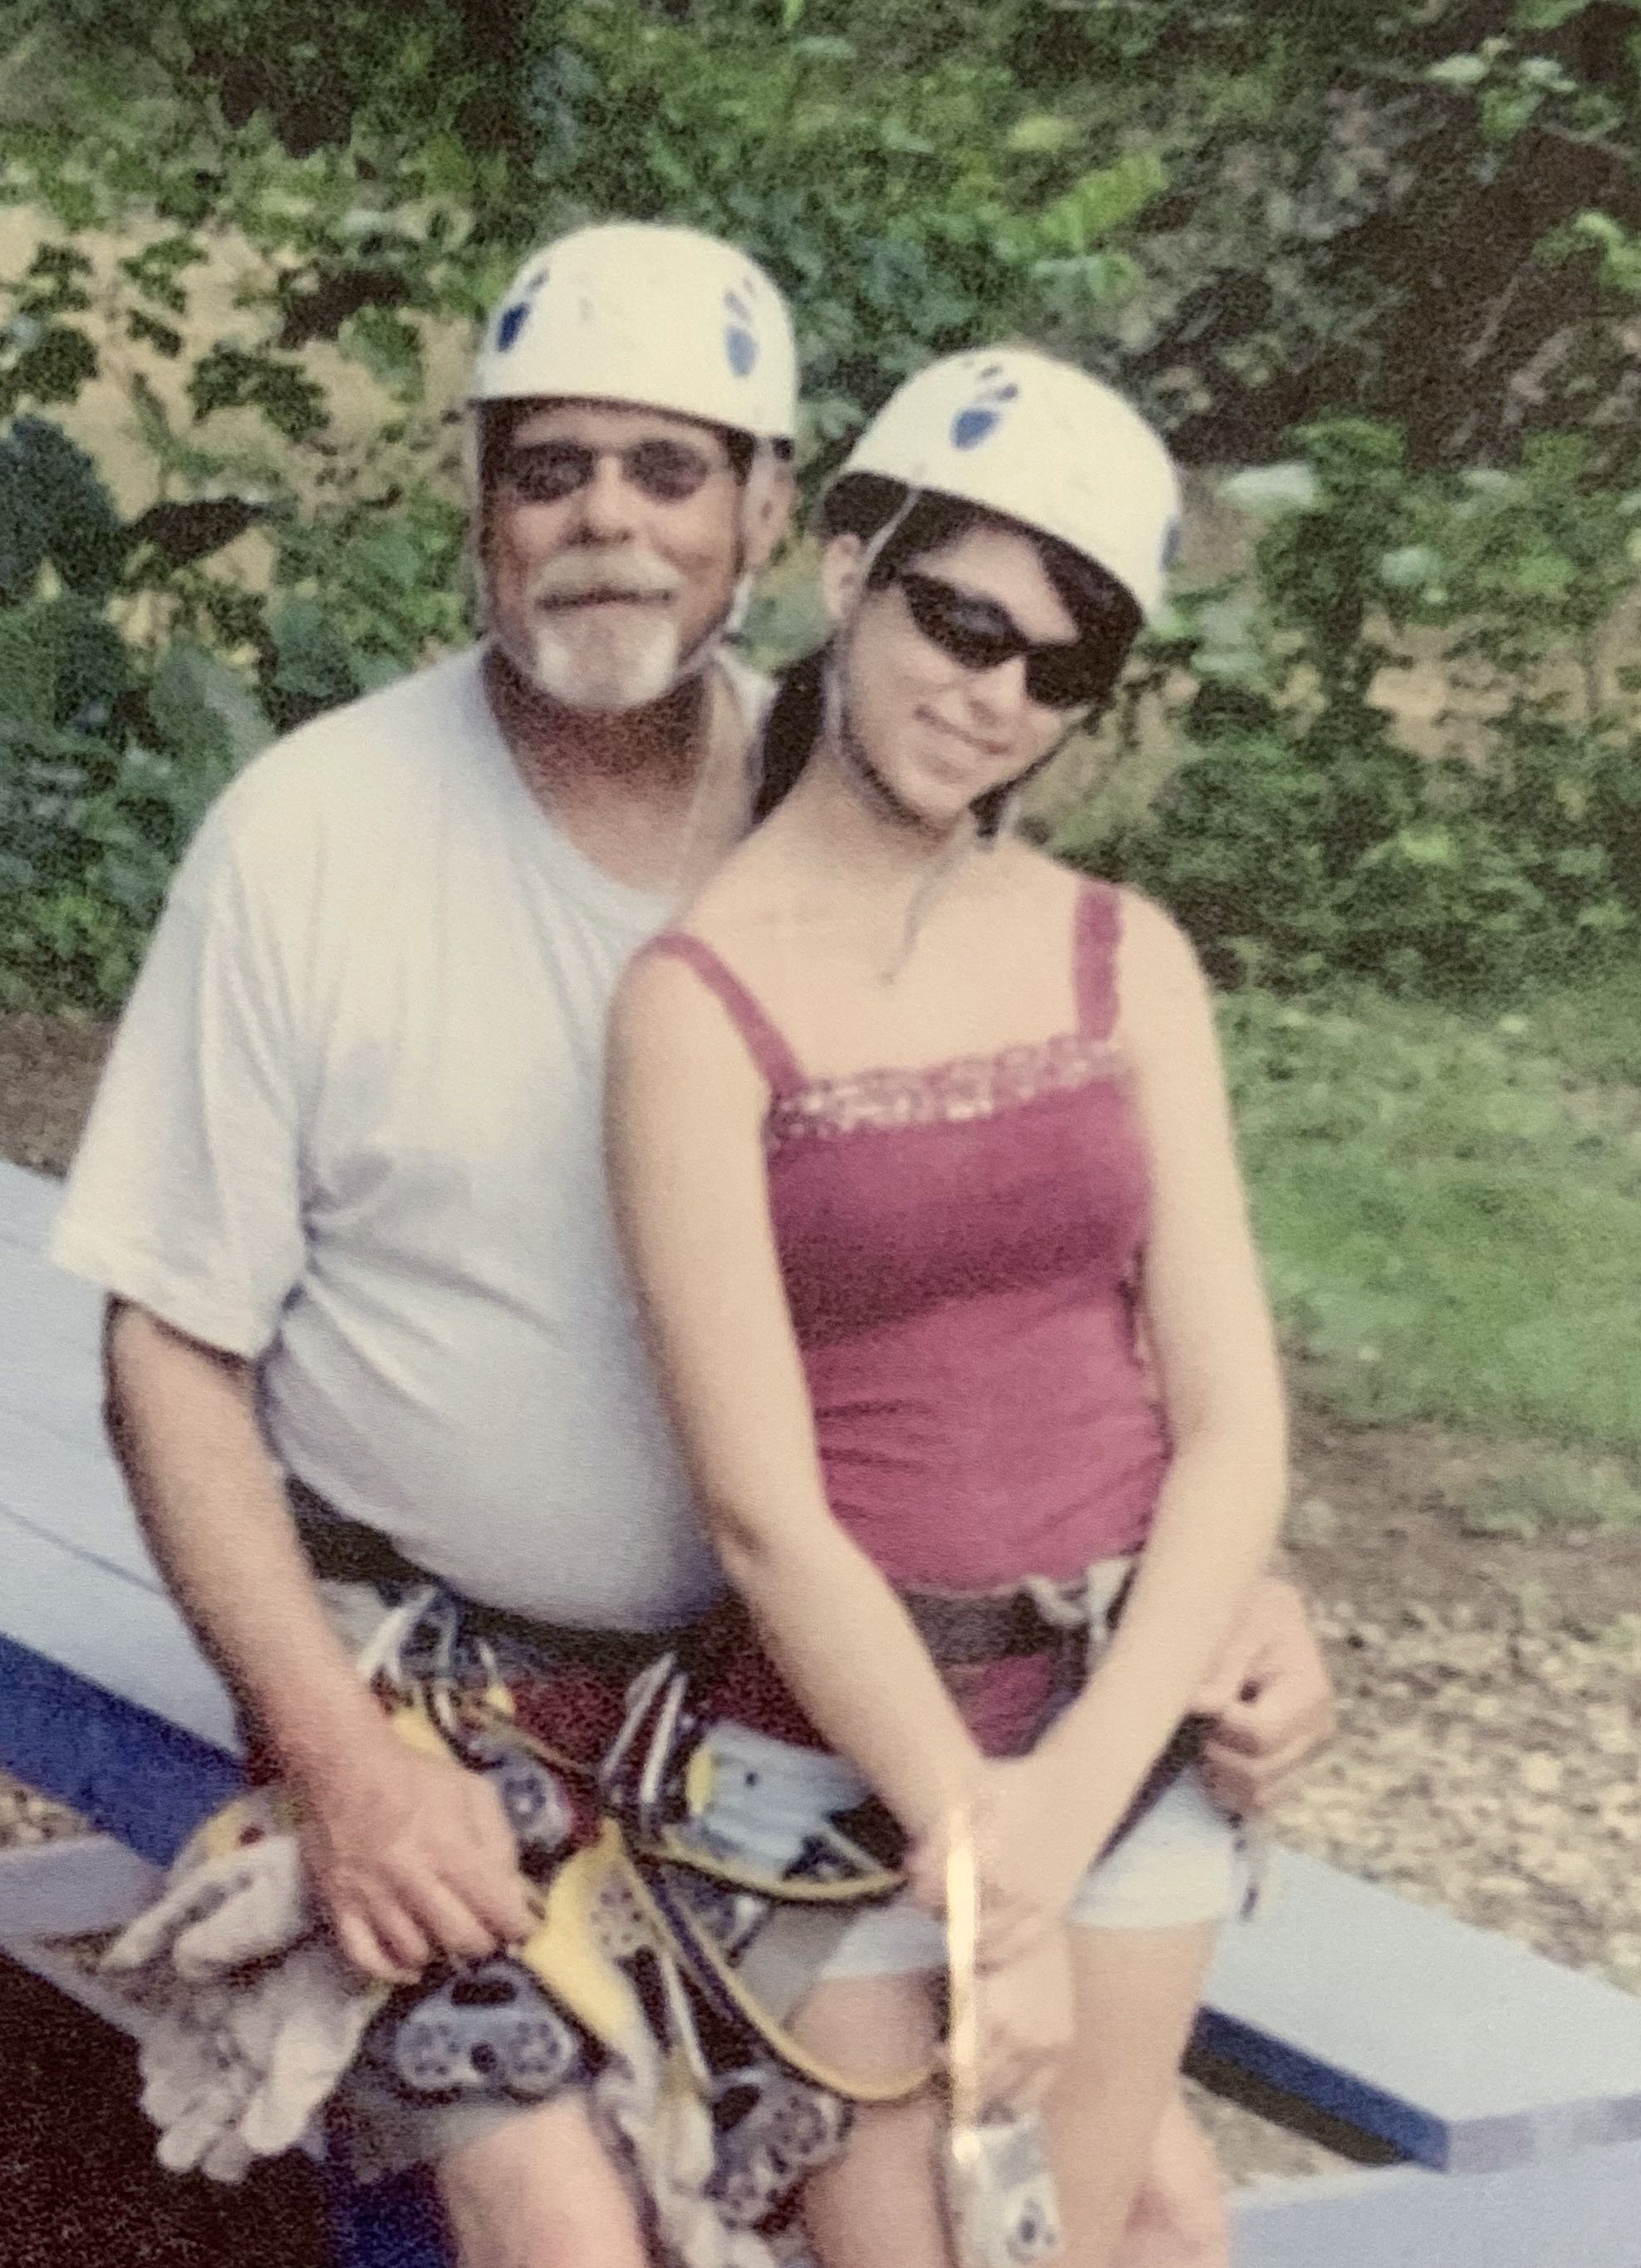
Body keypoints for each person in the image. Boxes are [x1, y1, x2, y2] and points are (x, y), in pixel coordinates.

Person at [47, 216, 1330, 2268]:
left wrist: (1212, 1574)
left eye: (668, 469)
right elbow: (166, 1355)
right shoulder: (314, 838)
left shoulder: (863, 803)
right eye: (548, 467)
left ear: (768, 514)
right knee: (569, 2224)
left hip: (801, 1717)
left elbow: (1021, 1243)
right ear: (475, 505)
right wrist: (341, 1766)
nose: (607, 527)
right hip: (452, 1713)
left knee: (1145, 2203)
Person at [605, 347, 1290, 2268]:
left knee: (1093, 2238)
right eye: (959, 619)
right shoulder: (691, 1002)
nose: (991, 695)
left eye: (1056, 666)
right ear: (846, 569)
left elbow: (1232, 1421)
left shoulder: (1119, 957)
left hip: (1117, 1747)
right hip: (838, 1784)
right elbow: (759, 1506)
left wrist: (1058, 1826)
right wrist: (988, 1871)